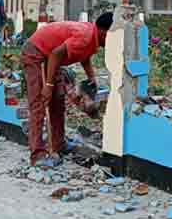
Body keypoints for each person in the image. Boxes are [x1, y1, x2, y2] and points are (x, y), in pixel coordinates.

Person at [21, 12, 114, 167]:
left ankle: (59, 144)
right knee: (39, 102)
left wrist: (92, 78)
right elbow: (56, 54)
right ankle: (37, 155)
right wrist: (48, 86)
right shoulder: (85, 36)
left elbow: (85, 57)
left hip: (51, 57)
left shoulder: (92, 37)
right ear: (105, 32)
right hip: (36, 52)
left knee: (57, 102)